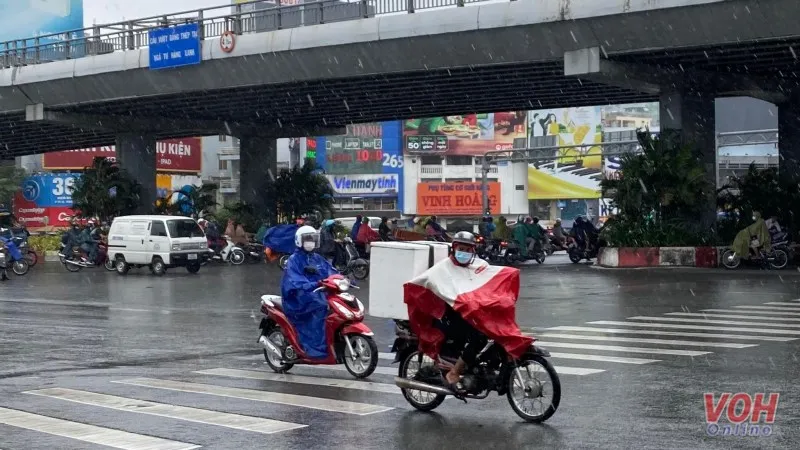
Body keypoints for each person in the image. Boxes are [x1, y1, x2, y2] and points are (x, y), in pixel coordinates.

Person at [403, 231, 532, 397]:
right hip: (449, 316)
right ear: (454, 248)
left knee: (494, 331)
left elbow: (489, 283)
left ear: (473, 251)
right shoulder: (443, 269)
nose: (464, 252)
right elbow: (429, 285)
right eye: (460, 248)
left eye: (468, 249)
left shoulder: (479, 265)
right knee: (479, 336)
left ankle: (478, 367)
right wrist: (466, 303)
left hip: (471, 313)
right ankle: (454, 372)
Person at [280, 225, 338, 359]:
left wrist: (344, 280)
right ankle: (314, 348)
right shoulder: (294, 260)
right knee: (321, 307)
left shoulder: (317, 258)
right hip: (298, 298)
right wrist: (314, 284)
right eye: (307, 239)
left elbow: (331, 271)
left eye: (313, 239)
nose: (310, 242)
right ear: (299, 240)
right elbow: (295, 282)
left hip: (317, 292)